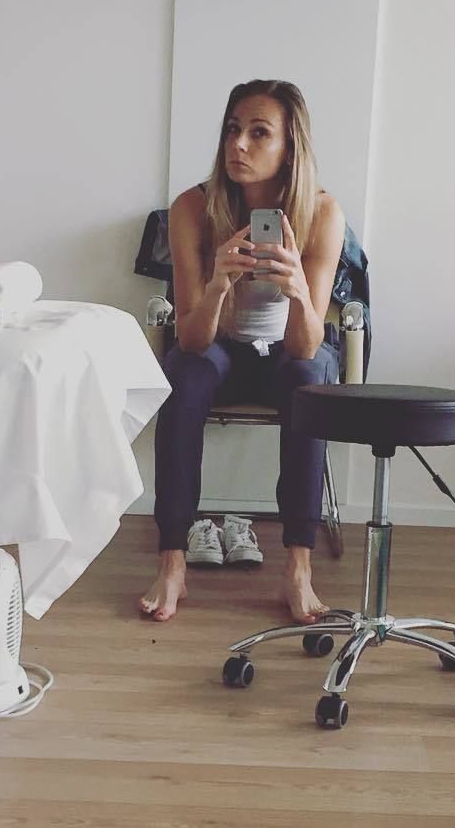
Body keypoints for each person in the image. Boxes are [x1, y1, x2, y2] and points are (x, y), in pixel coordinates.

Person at [140, 79, 345, 624]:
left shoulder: (323, 213)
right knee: (184, 374)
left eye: (259, 133)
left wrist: (297, 290)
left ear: (290, 147)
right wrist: (217, 286)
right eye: (233, 130)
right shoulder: (192, 208)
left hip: (288, 352)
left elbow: (305, 345)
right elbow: (192, 339)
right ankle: (172, 563)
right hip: (219, 349)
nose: (239, 145)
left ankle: (298, 568)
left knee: (309, 377)